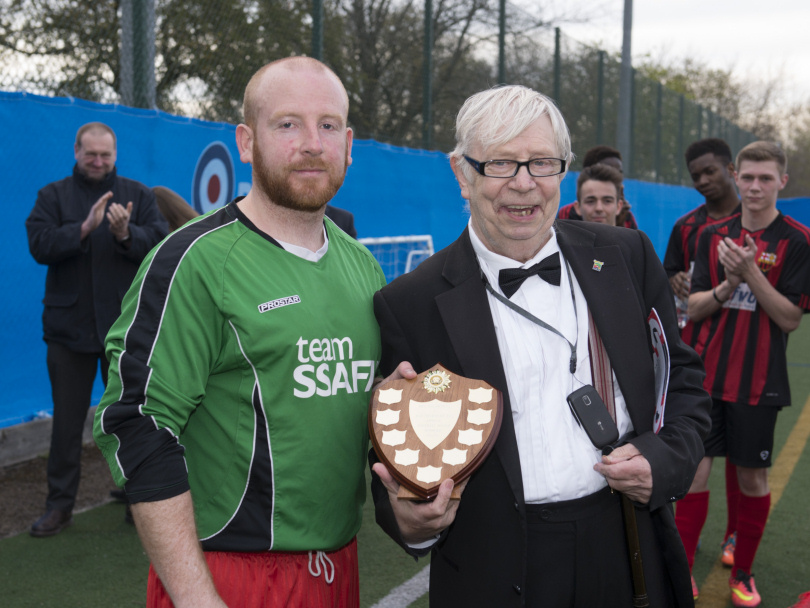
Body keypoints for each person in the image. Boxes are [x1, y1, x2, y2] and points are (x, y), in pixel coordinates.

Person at [370, 84, 711, 607]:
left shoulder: (627, 256)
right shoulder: (409, 302)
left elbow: (681, 382)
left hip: (625, 540)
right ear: (462, 173)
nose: (524, 185)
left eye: (542, 163)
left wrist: (665, 462)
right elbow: (393, 450)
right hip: (494, 563)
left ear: (564, 170)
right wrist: (412, 518)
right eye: (501, 163)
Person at [93, 57, 385, 608]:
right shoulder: (194, 262)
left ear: (348, 143)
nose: (311, 143)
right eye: (287, 124)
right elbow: (137, 422)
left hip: (338, 564)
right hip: (230, 573)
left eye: (327, 126)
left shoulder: (362, 267)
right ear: (246, 142)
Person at [25, 122, 168, 537]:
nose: (98, 161)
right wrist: (83, 229)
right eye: (91, 154)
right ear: (76, 150)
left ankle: (138, 499)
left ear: (115, 154)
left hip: (123, 334)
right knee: (67, 425)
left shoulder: (138, 195)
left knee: (133, 420)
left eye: (106, 155)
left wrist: (126, 233)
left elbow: (159, 244)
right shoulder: (52, 196)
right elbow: (39, 244)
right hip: (67, 333)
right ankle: (59, 507)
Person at [684, 141, 810, 607]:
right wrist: (727, 283)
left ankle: (745, 574)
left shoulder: (797, 241)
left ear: (782, 181)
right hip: (705, 381)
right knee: (693, 476)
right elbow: (693, 308)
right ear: (736, 177)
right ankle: (681, 568)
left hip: (760, 382)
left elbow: (790, 318)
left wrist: (750, 272)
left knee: (753, 481)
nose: (755, 187)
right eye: (748, 177)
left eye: (766, 178)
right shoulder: (708, 234)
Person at [664, 138, 742, 593]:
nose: (703, 181)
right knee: (698, 460)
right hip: (700, 359)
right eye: (695, 175)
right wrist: (675, 280)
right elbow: (671, 273)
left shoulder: (757, 224)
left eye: (710, 171)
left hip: (753, 363)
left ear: (730, 168)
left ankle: (735, 534)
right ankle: (683, 561)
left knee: (748, 464)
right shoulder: (686, 226)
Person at [558, 144, 639, 229]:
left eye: (607, 201)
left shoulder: (627, 217)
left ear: (619, 206)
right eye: (590, 201)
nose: (599, 208)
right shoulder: (568, 213)